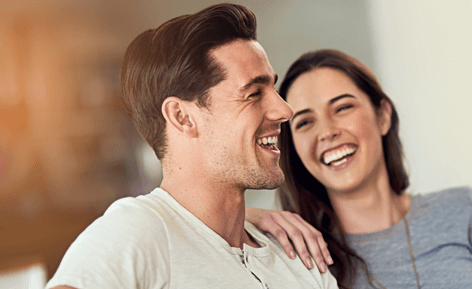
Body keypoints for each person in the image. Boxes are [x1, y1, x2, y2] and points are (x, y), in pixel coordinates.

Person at [46, 4, 337, 289]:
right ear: (182, 117)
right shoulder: (137, 232)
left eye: (273, 88)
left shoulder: (297, 259)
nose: (284, 110)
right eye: (252, 94)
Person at [246, 49, 472, 288]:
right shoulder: (299, 254)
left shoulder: (465, 209)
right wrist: (245, 216)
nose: (327, 131)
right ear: (294, 148)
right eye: (305, 122)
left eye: (343, 108)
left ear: (382, 116)